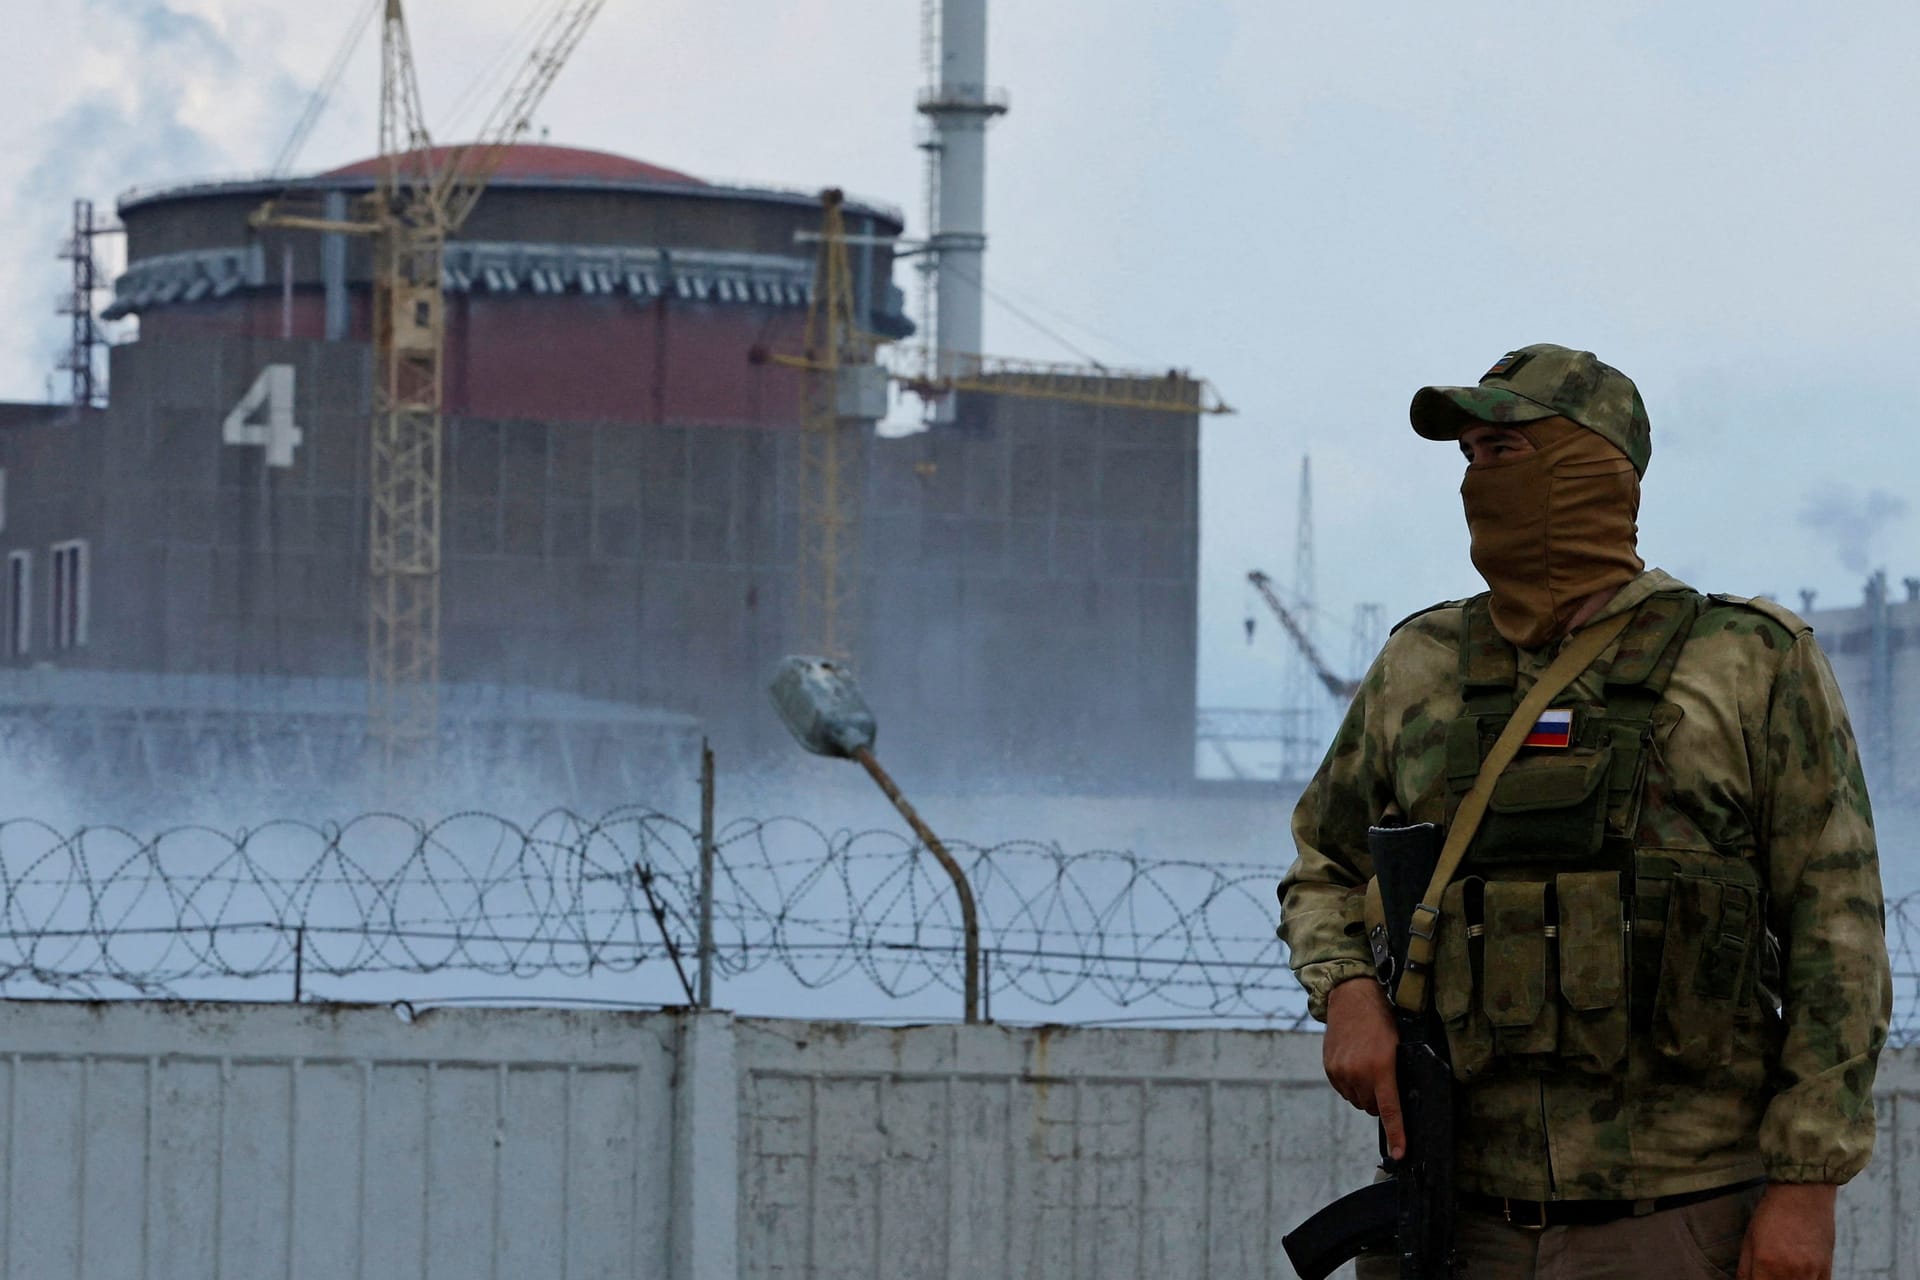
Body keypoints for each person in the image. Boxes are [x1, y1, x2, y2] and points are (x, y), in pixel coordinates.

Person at [1278, 343, 1891, 1280]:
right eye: (1468, 458)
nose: (1478, 479)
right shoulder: (1424, 662)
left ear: (1592, 467)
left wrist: (1806, 1189)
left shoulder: (1746, 661)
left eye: (1505, 452)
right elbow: (1324, 860)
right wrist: (1347, 992)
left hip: (1677, 1216)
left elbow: (1836, 938)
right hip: (1456, 1212)